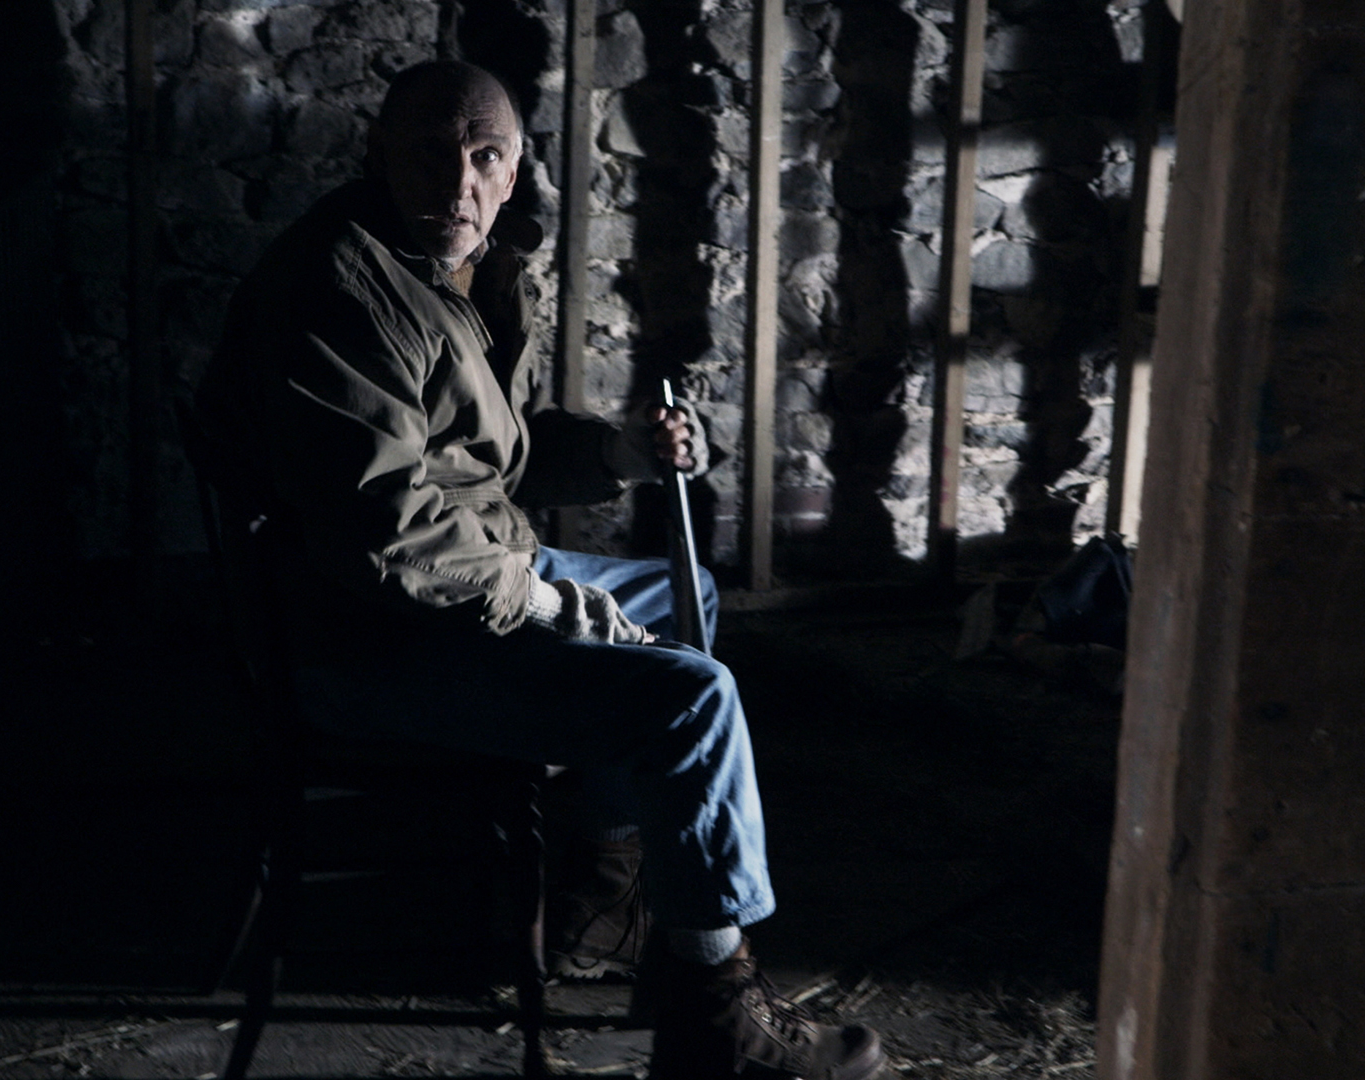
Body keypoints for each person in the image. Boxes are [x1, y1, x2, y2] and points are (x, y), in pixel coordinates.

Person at [191, 59, 884, 1080]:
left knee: (682, 594)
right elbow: (385, 534)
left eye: (485, 157)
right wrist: (549, 601)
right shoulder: (336, 289)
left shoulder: (459, 268)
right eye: (430, 154)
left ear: (514, 170)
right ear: (378, 154)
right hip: (367, 639)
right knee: (692, 701)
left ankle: (603, 897)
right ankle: (716, 1014)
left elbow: (486, 459)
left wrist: (619, 451)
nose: (459, 183)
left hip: (455, 582)